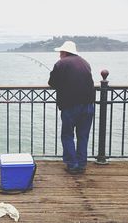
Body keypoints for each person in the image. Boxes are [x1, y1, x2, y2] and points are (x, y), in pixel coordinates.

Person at [48, 41, 95, 174]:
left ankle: (72, 164)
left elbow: (52, 83)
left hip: (70, 106)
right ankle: (81, 164)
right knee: (83, 135)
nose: (59, 55)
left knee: (67, 135)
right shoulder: (85, 62)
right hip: (88, 105)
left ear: (64, 52)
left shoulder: (61, 64)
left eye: (60, 52)